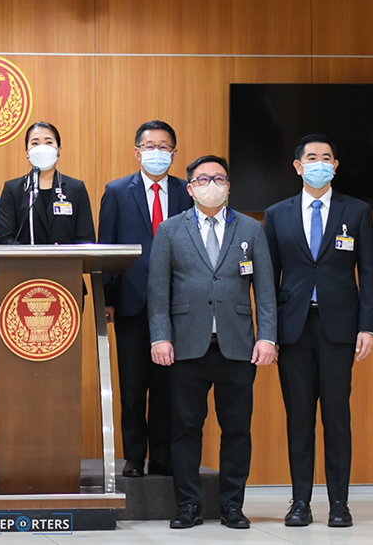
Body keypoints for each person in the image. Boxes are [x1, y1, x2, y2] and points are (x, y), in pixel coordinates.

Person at [148, 155, 277, 530]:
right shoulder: (170, 230)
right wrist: (160, 336)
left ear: (229, 186)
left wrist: (267, 336)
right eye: (203, 180)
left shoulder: (251, 229)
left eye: (219, 179)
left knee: (237, 430)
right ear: (190, 188)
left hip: (237, 345)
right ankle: (188, 505)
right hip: (186, 344)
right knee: (186, 429)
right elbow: (158, 291)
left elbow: (265, 291)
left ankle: (232, 505)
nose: (212, 185)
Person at [264, 134, 373, 528]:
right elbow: (268, 278)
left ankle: (339, 504)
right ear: (298, 166)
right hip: (292, 328)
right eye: (312, 157)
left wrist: (368, 326)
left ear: (336, 165)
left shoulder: (357, 211)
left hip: (339, 328)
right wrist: (268, 331)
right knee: (299, 418)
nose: (320, 163)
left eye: (326, 157)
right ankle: (299, 502)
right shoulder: (276, 214)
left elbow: (369, 272)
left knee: (337, 417)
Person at [98, 120, 193, 478]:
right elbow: (106, 247)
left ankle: (163, 456)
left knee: (168, 386)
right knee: (134, 386)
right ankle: (135, 457)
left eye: (164, 147)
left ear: (174, 153)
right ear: (137, 152)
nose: (157, 152)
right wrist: (107, 298)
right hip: (131, 300)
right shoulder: (117, 191)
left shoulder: (187, 192)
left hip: (176, 303)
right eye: (150, 146)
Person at [0, 121, 95, 245]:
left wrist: (67, 252)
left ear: (59, 149)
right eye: (35, 143)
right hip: (25, 258)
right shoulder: (13, 189)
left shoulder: (76, 188)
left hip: (67, 258)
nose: (42, 148)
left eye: (48, 142)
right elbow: (5, 238)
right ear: (27, 151)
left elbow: (86, 238)